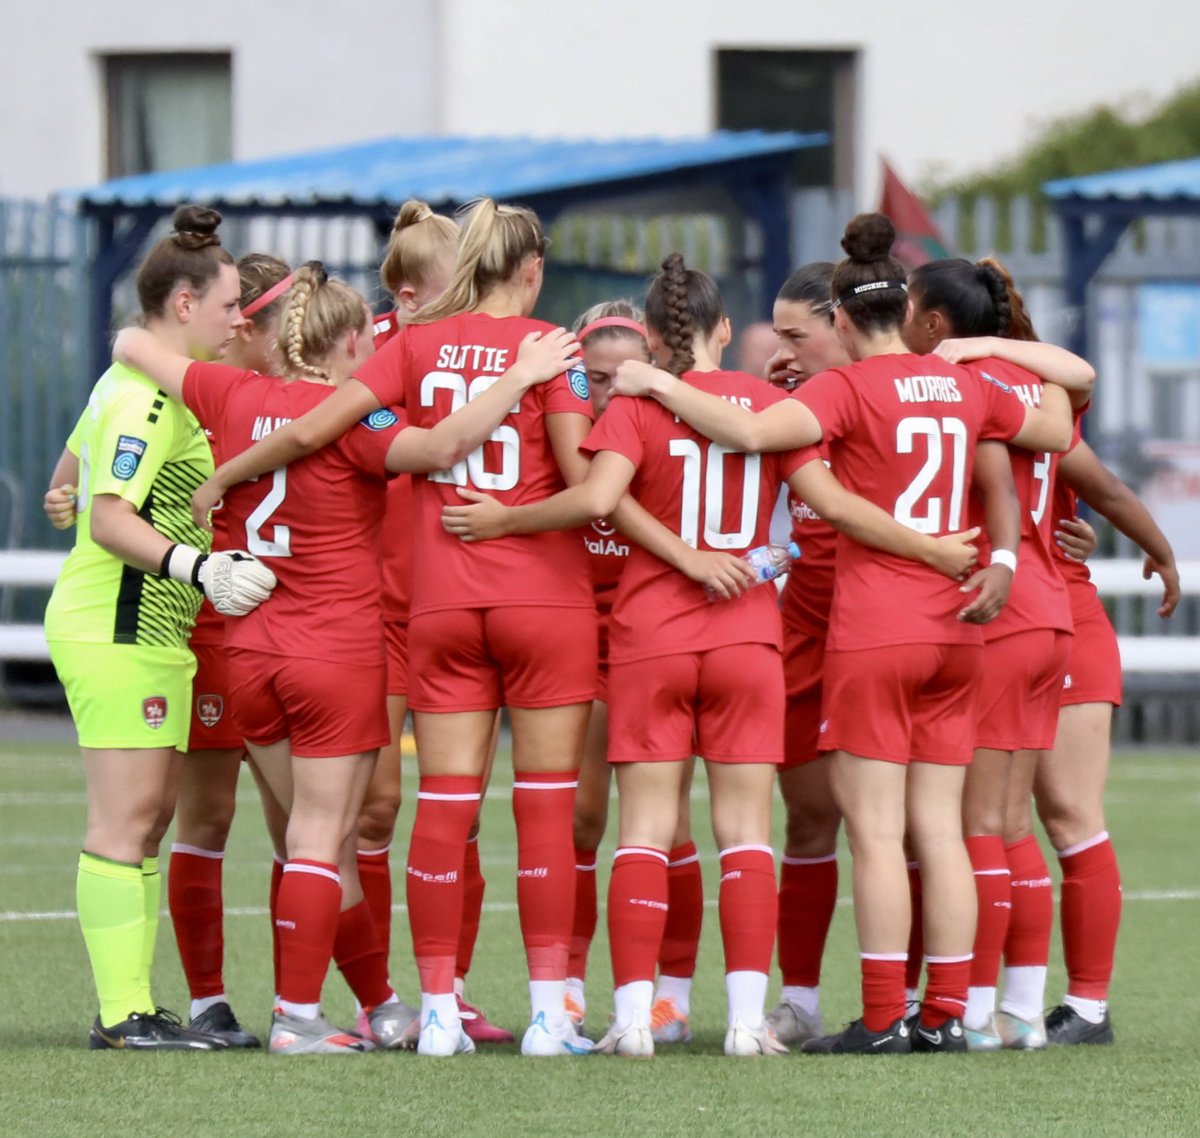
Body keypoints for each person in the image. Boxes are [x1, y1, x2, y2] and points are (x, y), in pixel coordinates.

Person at [441, 252, 985, 1057]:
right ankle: (741, 1023)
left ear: (652, 343)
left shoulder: (631, 407)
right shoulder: (770, 402)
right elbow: (821, 507)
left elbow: (597, 499)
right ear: (725, 330)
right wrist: (930, 549)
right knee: (745, 836)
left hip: (652, 633)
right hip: (747, 636)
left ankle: (630, 1020)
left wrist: (511, 522)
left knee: (645, 833)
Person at [610, 216, 1090, 1055]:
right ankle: (951, 1013)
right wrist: (984, 360)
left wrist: (656, 384)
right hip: (960, 623)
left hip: (879, 624)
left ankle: (880, 1015)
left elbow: (755, 433)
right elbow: (1058, 409)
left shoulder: (840, 391)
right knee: (940, 828)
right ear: (907, 310)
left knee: (872, 831)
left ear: (838, 318)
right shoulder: (964, 388)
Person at [112, 260, 581, 1054]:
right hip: (334, 648)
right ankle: (297, 1015)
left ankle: (372, 1003)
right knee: (323, 836)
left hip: (247, 646)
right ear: (353, 341)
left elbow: (129, 340)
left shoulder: (226, 392)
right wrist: (520, 374)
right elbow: (441, 448)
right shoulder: (357, 422)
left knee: (303, 833)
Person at [43, 204, 277, 1050]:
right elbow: (109, 519)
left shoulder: (136, 388)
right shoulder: (146, 397)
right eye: (225, 307)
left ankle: (135, 1006)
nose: (236, 320)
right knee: (128, 817)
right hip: (118, 624)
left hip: (147, 631)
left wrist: (64, 486)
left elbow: (72, 465)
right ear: (183, 306)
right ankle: (119, 1014)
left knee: (147, 816)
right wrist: (199, 566)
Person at [903, 256, 1097, 1051]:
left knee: (976, 822)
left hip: (997, 609)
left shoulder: (961, 385)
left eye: (913, 310)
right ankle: (1022, 1007)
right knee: (1011, 824)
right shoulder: (1035, 382)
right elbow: (1072, 381)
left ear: (939, 323)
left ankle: (976, 1010)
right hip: (1050, 613)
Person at [562, 301, 704, 1044]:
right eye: (594, 378)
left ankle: (671, 996)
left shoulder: (679, 427)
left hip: (657, 637)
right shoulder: (557, 433)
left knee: (668, 825)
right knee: (580, 820)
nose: (611, 390)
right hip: (579, 641)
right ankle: (571, 988)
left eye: (627, 375)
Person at [1038, 437, 1179, 1044]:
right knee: (971, 824)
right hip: (975, 623)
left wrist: (1159, 550)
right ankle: (959, 1002)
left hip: (1062, 618)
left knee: (1070, 814)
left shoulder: (1031, 398)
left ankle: (1088, 1005)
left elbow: (1107, 488)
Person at [754, 264, 853, 1046]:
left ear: (843, 323)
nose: (783, 350)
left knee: (918, 827)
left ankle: (937, 1000)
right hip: (803, 634)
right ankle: (803, 1002)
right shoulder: (792, 407)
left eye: (796, 334)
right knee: (809, 822)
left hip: (886, 630)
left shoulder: (890, 393)